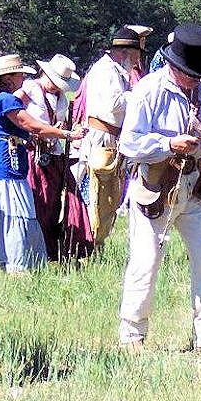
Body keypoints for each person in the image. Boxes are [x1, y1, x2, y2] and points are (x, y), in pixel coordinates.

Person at [118, 23, 201, 353]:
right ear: (174, 66)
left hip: (193, 185)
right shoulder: (148, 91)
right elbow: (130, 143)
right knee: (145, 261)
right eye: (190, 72)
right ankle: (132, 335)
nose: (195, 78)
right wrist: (169, 143)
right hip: (157, 185)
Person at [0, 55, 85, 273]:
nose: (24, 77)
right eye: (20, 73)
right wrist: (66, 134)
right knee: (17, 210)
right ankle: (19, 262)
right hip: (4, 160)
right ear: (10, 77)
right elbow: (31, 125)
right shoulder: (7, 100)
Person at [73, 27, 143, 247]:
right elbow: (114, 104)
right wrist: (139, 96)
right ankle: (86, 242)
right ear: (125, 53)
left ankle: (95, 242)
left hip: (109, 138)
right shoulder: (106, 71)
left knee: (108, 197)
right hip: (101, 139)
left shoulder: (113, 70)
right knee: (96, 194)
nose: (137, 62)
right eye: (136, 56)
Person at [15, 54, 88, 262]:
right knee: (36, 202)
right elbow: (13, 111)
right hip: (33, 155)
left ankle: (49, 251)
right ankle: (29, 251)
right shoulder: (29, 88)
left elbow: (60, 126)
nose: (57, 87)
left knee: (53, 205)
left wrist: (66, 132)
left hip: (54, 157)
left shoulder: (62, 98)